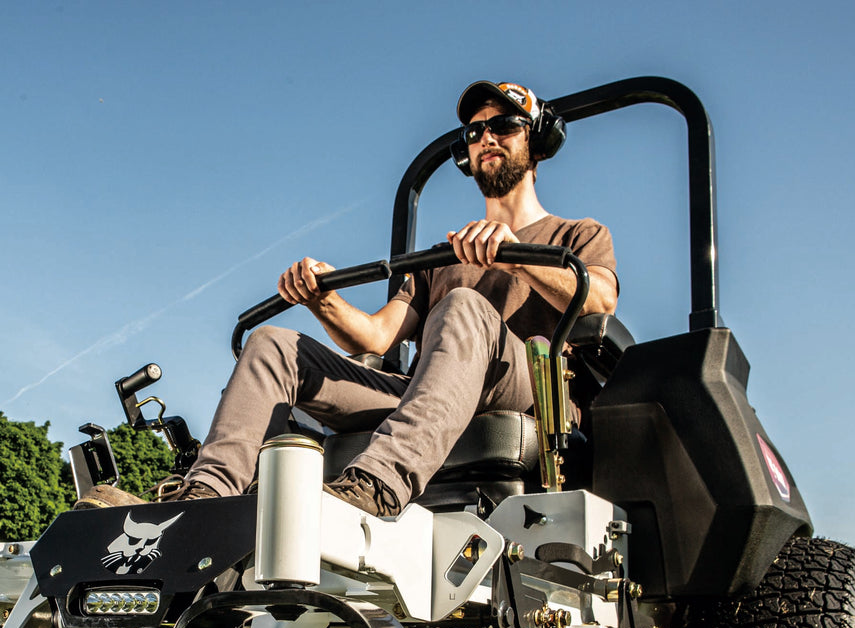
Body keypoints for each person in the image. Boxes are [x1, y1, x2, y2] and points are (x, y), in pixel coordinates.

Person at [78, 80, 618, 515]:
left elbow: (601, 298)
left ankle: (372, 489)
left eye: (503, 124)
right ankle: (201, 505)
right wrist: (321, 300)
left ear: (536, 140)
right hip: (429, 392)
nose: (485, 137)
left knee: (462, 308)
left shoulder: (576, 234)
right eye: (474, 132)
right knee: (270, 344)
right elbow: (379, 334)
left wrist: (511, 253)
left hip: (528, 389)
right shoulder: (441, 256)